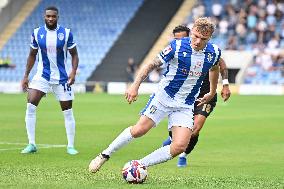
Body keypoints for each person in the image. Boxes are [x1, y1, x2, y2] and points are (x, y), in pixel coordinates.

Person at [89, 17, 221, 173]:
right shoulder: (176, 47)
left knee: (180, 146)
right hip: (164, 98)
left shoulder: (214, 52)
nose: (198, 41)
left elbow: (214, 69)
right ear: (191, 32)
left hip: (185, 104)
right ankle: (105, 154)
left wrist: (212, 91)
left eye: (203, 39)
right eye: (196, 36)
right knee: (139, 130)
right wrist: (135, 86)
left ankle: (139, 165)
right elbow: (152, 64)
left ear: (209, 38)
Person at [162, 25, 231, 167]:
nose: (179, 42)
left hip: (205, 95)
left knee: (195, 129)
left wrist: (225, 84)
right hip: (184, 96)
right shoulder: (176, 52)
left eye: (182, 38)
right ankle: (174, 139)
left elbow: (221, 64)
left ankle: (183, 154)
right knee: (181, 129)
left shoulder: (208, 51)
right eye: (176, 39)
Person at [21, 6, 79, 155]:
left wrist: (73, 72)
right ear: (44, 17)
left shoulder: (66, 33)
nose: (50, 19)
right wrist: (26, 75)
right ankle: (31, 144)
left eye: (53, 16)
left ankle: (70, 146)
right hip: (42, 76)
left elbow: (74, 54)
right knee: (30, 106)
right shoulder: (37, 33)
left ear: (57, 17)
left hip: (61, 78)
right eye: (48, 16)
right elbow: (32, 55)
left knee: (67, 111)